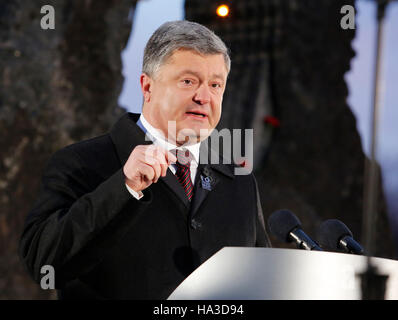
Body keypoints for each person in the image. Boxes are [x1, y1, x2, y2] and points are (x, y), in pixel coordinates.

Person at [19, 20, 271, 300]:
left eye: (215, 85)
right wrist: (123, 188)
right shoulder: (80, 163)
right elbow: (44, 263)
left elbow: (261, 281)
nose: (204, 97)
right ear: (147, 86)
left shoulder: (239, 180)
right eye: (188, 81)